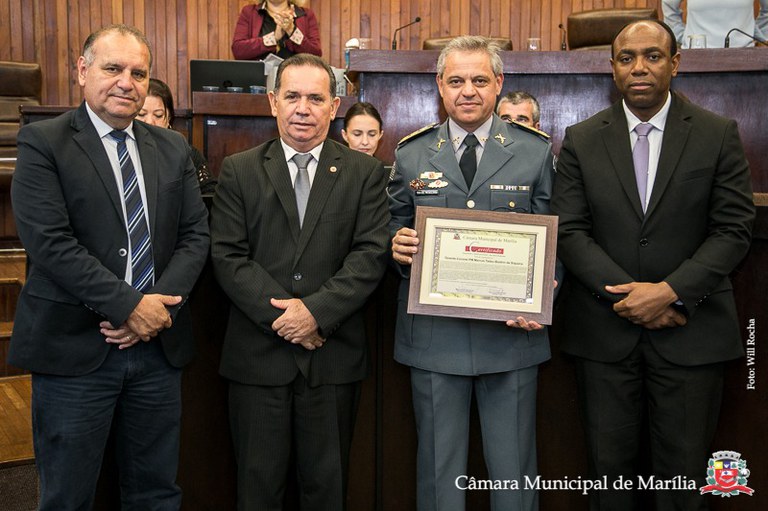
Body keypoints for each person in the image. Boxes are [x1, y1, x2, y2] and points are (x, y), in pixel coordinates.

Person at [550, 20, 754, 510]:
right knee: (609, 480)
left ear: (675, 63)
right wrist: (631, 298)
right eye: (627, 58)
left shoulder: (717, 133)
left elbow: (733, 229)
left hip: (691, 331)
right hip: (604, 334)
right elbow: (570, 231)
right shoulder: (581, 139)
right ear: (613, 67)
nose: (639, 67)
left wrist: (669, 292)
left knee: (683, 484)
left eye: (653, 56)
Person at [9, 24, 210, 509]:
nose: (127, 82)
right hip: (75, 349)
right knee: (69, 496)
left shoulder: (173, 148)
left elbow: (195, 236)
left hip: (156, 352)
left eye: (138, 73)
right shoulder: (43, 142)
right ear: (82, 71)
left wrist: (154, 312)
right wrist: (128, 307)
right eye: (113, 68)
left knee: (156, 492)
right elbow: (51, 243)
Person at [210, 53, 390, 511]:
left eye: (315, 98)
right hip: (257, 360)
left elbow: (370, 255)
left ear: (334, 107)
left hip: (331, 361)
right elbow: (228, 256)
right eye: (292, 96)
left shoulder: (364, 173)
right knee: (257, 491)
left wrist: (315, 314)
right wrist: (288, 318)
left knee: (326, 492)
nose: (303, 108)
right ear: (273, 102)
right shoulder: (239, 169)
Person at [389, 36, 556, 511]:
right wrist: (394, 245)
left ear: (499, 84)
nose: (468, 91)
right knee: (440, 479)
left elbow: (555, 240)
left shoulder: (534, 152)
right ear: (439, 85)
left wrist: (547, 290)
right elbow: (389, 226)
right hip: (434, 339)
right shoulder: (411, 154)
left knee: (514, 479)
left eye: (480, 80)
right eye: (456, 80)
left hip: (511, 337)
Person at [137, 77, 217, 193]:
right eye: (141, 114)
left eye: (158, 115)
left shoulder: (188, 153)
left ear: (168, 119)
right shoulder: (123, 151)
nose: (149, 122)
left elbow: (208, 194)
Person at [232, 1, 321, 60]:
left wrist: (291, 31)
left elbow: (316, 55)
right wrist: (274, 38)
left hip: (296, 81)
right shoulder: (249, 12)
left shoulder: (306, 15)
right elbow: (238, 50)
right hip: (258, 82)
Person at [663, 0, 768, 48]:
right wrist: (683, 36)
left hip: (745, 58)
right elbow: (669, 7)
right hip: (696, 58)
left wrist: (757, 35)